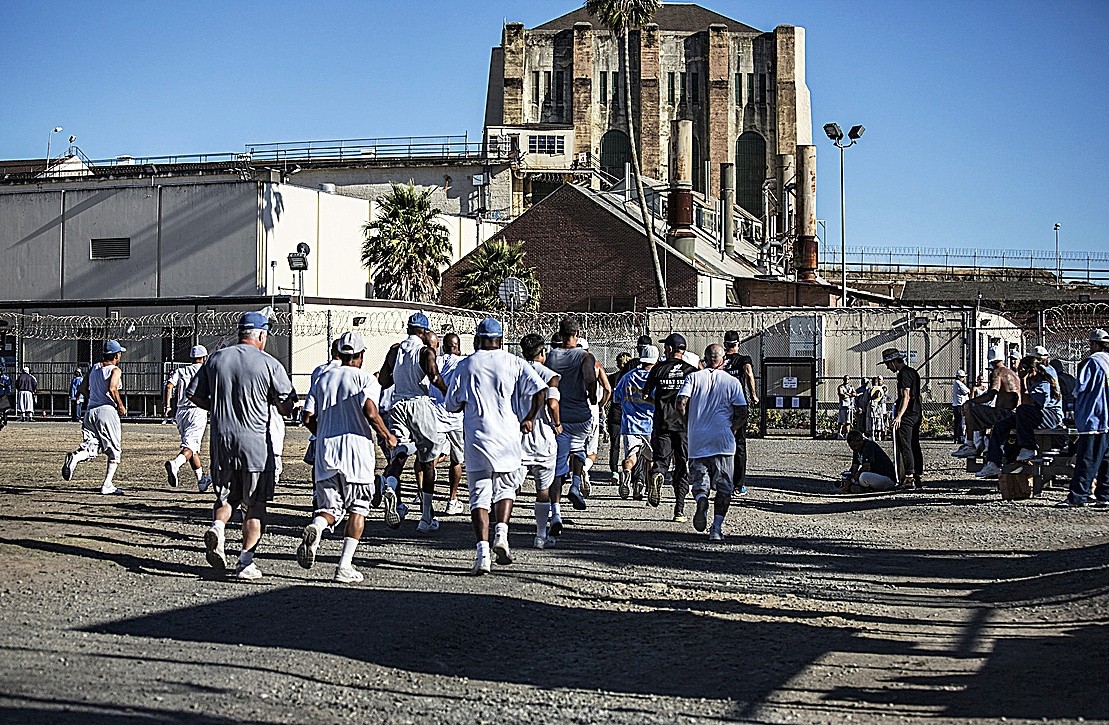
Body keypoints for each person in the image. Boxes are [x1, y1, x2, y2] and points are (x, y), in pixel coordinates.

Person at [186, 312, 296, 580]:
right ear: (260, 335)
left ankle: (218, 527)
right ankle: (245, 561)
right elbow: (285, 403)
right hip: (255, 442)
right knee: (255, 503)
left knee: (226, 496)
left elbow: (193, 394)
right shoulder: (269, 364)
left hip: (222, 438)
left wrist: (219, 406)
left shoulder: (216, 359)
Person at [445, 318, 546, 574]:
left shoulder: (466, 365)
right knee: (505, 490)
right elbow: (541, 389)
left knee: (479, 497)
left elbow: (451, 405)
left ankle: (482, 555)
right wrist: (530, 417)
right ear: (500, 339)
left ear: (478, 339)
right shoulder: (513, 362)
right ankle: (501, 534)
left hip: (477, 438)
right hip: (507, 438)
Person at [297, 331, 397, 583]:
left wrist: (322, 434)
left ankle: (317, 528)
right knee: (358, 509)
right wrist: (386, 435)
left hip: (326, 453)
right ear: (361, 355)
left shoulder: (323, 378)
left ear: (339, 353)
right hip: (357, 453)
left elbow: (307, 417)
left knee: (328, 508)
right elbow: (370, 410)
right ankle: (344, 566)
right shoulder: (366, 380)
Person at [377, 312, 449, 534]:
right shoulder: (425, 352)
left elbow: (383, 380)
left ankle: (389, 485)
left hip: (398, 405)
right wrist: (450, 395)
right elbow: (434, 377)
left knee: (399, 452)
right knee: (427, 461)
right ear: (424, 332)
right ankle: (426, 516)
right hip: (420, 405)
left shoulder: (395, 350)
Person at [676, 344, 747, 541]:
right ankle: (716, 529)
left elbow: (680, 402)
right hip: (723, 440)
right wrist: (732, 428)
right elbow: (742, 413)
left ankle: (701, 500)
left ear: (705, 359)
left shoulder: (693, 377)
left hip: (698, 439)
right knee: (724, 486)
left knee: (700, 481)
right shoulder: (732, 382)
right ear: (723, 360)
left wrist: (688, 423)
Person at [545, 317, 598, 526]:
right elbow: (589, 379)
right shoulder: (585, 356)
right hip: (581, 414)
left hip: (559, 416)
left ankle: (555, 512)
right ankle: (576, 484)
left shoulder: (551, 357)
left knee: (558, 465)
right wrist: (592, 396)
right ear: (577, 334)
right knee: (578, 449)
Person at [977, 355, 1065, 479]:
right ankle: (993, 462)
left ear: (1031, 370)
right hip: (1034, 415)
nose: (1019, 372)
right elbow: (1025, 402)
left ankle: (1029, 447)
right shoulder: (1030, 380)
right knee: (1001, 425)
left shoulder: (1042, 382)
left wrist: (1023, 383)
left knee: (1022, 410)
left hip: (1050, 416)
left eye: (1022, 369)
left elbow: (1035, 403)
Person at [62, 340, 128, 495]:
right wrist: (120, 405)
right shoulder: (115, 370)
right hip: (107, 411)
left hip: (90, 411)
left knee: (91, 446)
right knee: (114, 451)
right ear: (116, 355)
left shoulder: (94, 368)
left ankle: (75, 458)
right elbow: (112, 388)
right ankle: (107, 484)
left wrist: (93, 398)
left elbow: (82, 388)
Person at [644, 333, 697, 520]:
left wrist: (659, 402)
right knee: (682, 466)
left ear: (669, 349)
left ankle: (658, 473)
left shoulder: (658, 369)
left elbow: (646, 394)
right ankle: (679, 510)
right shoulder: (691, 371)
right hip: (684, 425)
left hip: (663, 422)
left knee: (661, 458)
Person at [518, 333, 562, 548]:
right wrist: (557, 423)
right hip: (542, 438)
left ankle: (500, 531)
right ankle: (541, 535)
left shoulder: (516, 371)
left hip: (517, 438)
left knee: (509, 489)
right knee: (542, 490)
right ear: (543, 352)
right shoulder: (550, 375)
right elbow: (552, 403)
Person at [1057, 329, 1109, 508]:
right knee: (1105, 459)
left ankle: (1078, 496)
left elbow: (1080, 389)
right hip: (1107, 419)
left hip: (1093, 417)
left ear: (1094, 344)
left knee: (1087, 459)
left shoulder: (1091, 362)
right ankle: (1104, 495)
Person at [953, 349, 1021, 458]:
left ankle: (970, 444)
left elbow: (991, 395)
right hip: (1015, 413)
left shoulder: (997, 372)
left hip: (1004, 414)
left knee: (969, 407)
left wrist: (970, 401)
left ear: (991, 361)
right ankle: (981, 443)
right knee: (982, 412)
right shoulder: (1013, 374)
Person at [163, 345, 212, 492]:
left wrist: (167, 407)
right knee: (190, 445)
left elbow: (169, 386)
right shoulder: (206, 371)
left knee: (192, 446)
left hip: (181, 411)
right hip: (197, 410)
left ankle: (201, 480)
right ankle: (176, 464)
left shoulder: (181, 370)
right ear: (204, 358)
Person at [430, 332, 468, 516]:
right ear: (458, 347)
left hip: (435, 415)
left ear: (444, 347)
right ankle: (452, 499)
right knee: (456, 460)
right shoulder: (462, 363)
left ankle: (425, 494)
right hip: (455, 418)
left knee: (432, 457)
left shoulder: (435, 361)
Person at [613, 344, 657, 501]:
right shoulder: (655, 378)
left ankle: (626, 471)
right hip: (650, 424)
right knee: (650, 459)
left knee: (631, 457)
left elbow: (616, 397)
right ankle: (651, 487)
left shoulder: (628, 376)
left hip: (630, 424)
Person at [722, 330, 758, 497]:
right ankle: (739, 484)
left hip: (720, 405)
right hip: (738, 404)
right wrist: (753, 395)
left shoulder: (719, 360)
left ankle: (722, 480)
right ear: (738, 344)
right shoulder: (743, 359)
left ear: (724, 344)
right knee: (740, 444)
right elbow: (749, 373)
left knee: (721, 442)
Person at [882, 347, 923, 489]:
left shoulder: (903, 374)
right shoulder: (913, 372)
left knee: (905, 445)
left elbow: (906, 395)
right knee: (914, 444)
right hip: (917, 412)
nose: (888, 367)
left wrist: (899, 416)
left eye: (888, 364)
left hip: (908, 414)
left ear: (893, 362)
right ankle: (917, 476)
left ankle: (909, 477)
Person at [578, 338, 612, 497]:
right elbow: (607, 388)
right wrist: (600, 404)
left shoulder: (566, 364)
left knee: (574, 448)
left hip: (573, 409)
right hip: (591, 409)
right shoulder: (596, 365)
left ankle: (577, 477)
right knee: (591, 450)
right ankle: (585, 470)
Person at [607, 351, 634, 474]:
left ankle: (614, 471)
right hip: (629, 412)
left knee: (615, 444)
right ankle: (630, 469)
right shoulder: (632, 378)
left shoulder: (612, 378)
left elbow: (607, 394)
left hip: (615, 412)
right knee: (631, 445)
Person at [866, 377, 889, 441]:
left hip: (871, 406)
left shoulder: (869, 389)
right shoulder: (881, 389)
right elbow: (882, 399)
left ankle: (873, 435)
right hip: (879, 407)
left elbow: (866, 399)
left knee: (872, 421)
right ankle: (879, 436)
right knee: (879, 420)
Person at [951, 370, 970, 443]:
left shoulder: (956, 383)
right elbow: (967, 391)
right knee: (960, 422)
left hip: (956, 404)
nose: (963, 378)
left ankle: (956, 437)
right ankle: (959, 437)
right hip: (960, 405)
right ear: (958, 377)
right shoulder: (959, 383)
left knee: (957, 422)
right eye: (962, 377)